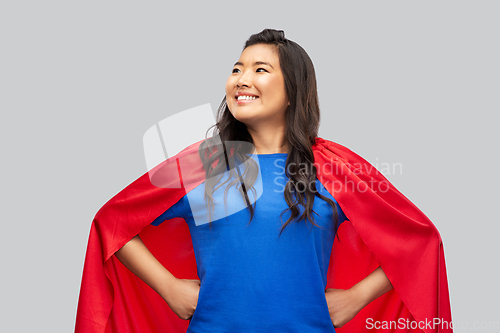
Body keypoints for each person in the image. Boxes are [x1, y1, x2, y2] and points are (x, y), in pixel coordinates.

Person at [75, 29, 453, 332]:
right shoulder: (202, 165)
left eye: (260, 69)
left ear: (293, 90)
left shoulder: (333, 167)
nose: (242, 78)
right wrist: (169, 287)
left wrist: (356, 297)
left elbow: (418, 242)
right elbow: (112, 225)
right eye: (237, 68)